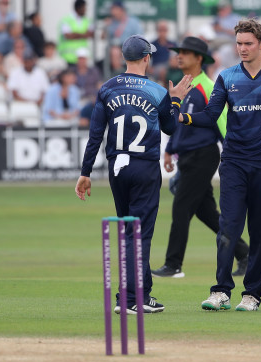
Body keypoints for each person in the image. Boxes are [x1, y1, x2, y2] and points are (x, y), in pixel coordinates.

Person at [179, 19, 261, 312]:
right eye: (239, 43)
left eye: (247, 43)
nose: (242, 49)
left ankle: (252, 294)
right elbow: (210, 115)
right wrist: (182, 116)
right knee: (228, 229)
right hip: (233, 163)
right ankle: (220, 291)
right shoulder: (227, 77)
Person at [75, 35, 194, 314]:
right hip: (144, 167)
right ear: (146, 58)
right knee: (139, 235)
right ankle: (128, 299)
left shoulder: (107, 88)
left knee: (129, 232)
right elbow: (170, 128)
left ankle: (142, 294)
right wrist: (175, 101)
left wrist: (85, 172)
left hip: (116, 168)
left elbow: (95, 135)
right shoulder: (155, 91)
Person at [151, 36, 250, 279]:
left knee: (181, 208)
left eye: (185, 52)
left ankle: (173, 264)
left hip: (203, 156)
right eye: (179, 52)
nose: (179, 55)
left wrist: (233, 154)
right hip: (187, 156)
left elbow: (223, 123)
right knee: (206, 213)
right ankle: (245, 253)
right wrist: (169, 149)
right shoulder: (180, 87)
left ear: (199, 59)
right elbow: (177, 123)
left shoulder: (208, 87)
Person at [57, 0, 94, 65]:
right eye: (84, 8)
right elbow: (68, 36)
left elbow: (91, 34)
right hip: (68, 57)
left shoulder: (86, 20)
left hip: (82, 56)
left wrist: (76, 34)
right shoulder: (67, 20)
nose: (85, 10)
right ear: (78, 8)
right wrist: (83, 34)